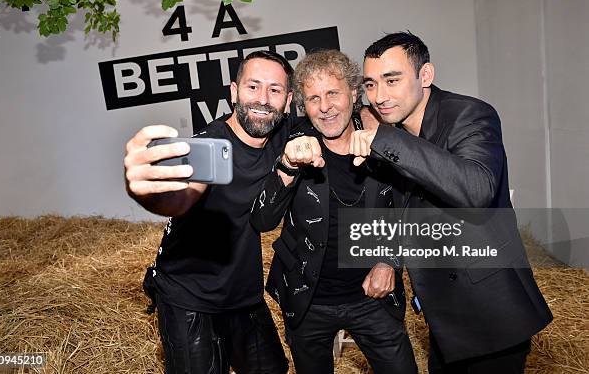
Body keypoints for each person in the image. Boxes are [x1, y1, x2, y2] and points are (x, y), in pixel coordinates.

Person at [351, 32, 553, 373]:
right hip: (446, 319)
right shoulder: (396, 129)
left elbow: (476, 190)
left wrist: (386, 139)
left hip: (490, 316)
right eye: (371, 85)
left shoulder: (469, 114)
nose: (380, 96)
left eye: (392, 80)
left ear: (425, 75)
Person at [123, 50, 295, 374]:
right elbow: (181, 199)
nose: (263, 99)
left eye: (274, 90)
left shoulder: (284, 135)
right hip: (189, 296)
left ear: (288, 101)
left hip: (243, 294)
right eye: (253, 86)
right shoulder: (210, 146)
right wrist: (143, 192)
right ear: (234, 92)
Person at [251, 50, 417, 374]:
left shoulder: (382, 139)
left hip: (373, 296)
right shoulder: (293, 142)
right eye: (313, 98)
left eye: (332, 93)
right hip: (308, 301)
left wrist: (389, 261)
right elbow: (262, 220)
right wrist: (287, 166)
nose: (325, 107)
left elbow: (410, 209)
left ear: (353, 94)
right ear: (303, 105)